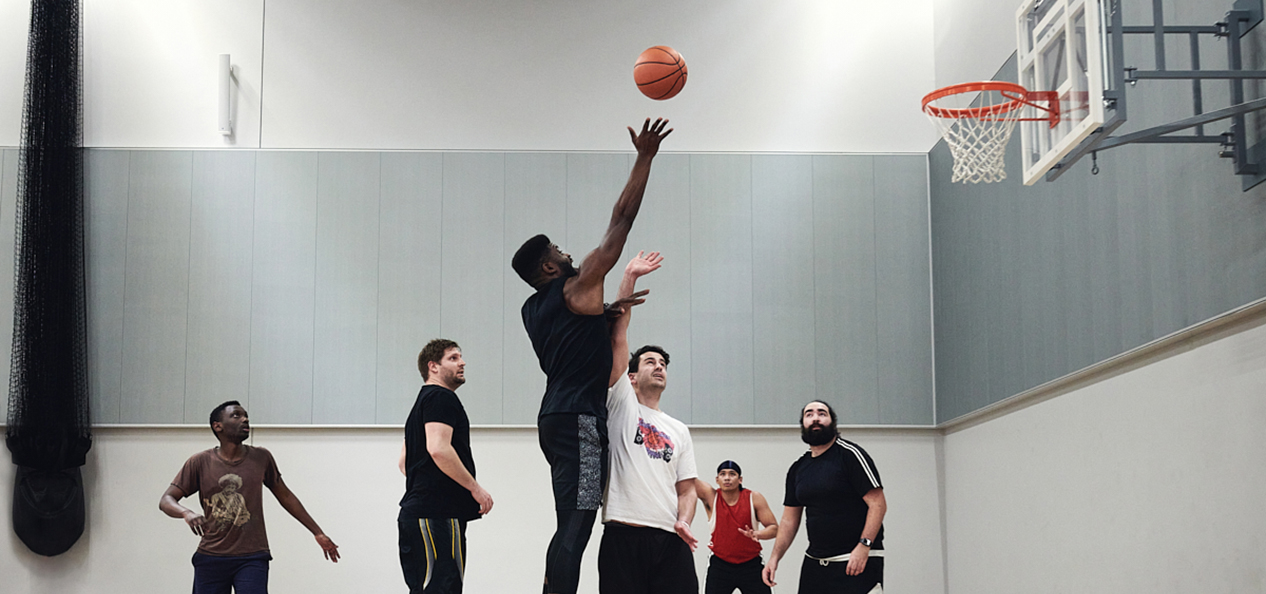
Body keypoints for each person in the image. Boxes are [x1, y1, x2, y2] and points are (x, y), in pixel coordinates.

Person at [512, 118, 672, 594]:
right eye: (560, 252)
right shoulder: (573, 288)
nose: (570, 257)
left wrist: (613, 306)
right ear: (548, 267)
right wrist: (645, 158)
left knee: (567, 525)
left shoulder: (532, 309)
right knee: (577, 527)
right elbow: (620, 223)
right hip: (581, 422)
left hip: (553, 419)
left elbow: (588, 334)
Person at [159, 401, 339, 594]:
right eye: (236, 415)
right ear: (217, 426)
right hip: (211, 556)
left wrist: (317, 532)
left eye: (246, 416)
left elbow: (285, 496)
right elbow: (166, 500)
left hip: (252, 557)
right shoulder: (200, 462)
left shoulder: (261, 457)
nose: (245, 419)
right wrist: (186, 513)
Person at [598, 251, 699, 594]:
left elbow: (687, 489)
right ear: (632, 376)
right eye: (650, 362)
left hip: (670, 537)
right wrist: (629, 278)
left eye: (663, 364)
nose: (658, 367)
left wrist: (684, 521)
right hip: (624, 534)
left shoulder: (679, 429)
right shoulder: (621, 402)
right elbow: (617, 335)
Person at [397, 339, 493, 594]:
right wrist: (475, 489)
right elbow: (438, 449)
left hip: (417, 515)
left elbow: (404, 464)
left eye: (460, 357)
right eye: (453, 358)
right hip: (437, 514)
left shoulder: (421, 403)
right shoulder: (441, 398)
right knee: (443, 588)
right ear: (433, 366)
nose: (462, 362)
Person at [763, 401, 887, 594]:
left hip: (855, 560)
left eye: (822, 413)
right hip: (815, 564)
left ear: (832, 422)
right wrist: (774, 558)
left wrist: (864, 546)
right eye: (809, 414)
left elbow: (878, 504)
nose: (816, 418)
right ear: (803, 423)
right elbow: (789, 519)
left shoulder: (850, 455)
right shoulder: (798, 468)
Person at [695, 460, 779, 594]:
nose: (727, 478)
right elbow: (688, 480)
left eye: (732, 474)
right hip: (721, 565)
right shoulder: (712, 497)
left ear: (740, 479)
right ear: (717, 479)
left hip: (750, 564)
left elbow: (774, 528)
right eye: (723, 474)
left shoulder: (754, 498)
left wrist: (758, 534)